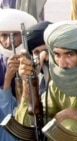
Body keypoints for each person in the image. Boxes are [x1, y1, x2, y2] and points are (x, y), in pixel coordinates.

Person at [15, 20, 77, 135]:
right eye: (57, 55)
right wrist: (27, 84)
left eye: (70, 54)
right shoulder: (56, 85)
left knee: (69, 126)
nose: (62, 63)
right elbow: (29, 127)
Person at [0, 8, 37, 141]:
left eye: (14, 35)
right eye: (4, 36)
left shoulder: (35, 56)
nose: (9, 42)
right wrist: (8, 78)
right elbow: (7, 113)